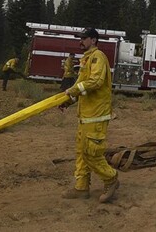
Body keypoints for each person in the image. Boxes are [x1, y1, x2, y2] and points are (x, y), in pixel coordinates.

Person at [61, 27, 121, 203]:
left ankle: (111, 179)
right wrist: (69, 100)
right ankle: (81, 188)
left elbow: (95, 81)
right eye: (80, 38)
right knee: (81, 152)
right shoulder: (86, 59)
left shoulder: (98, 57)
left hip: (96, 116)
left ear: (93, 40)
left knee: (92, 153)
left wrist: (72, 89)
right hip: (85, 115)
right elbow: (82, 87)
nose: (80, 41)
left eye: (84, 38)